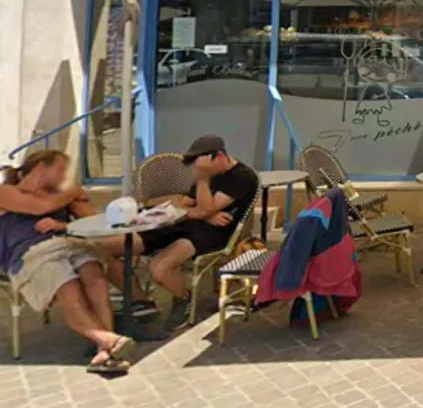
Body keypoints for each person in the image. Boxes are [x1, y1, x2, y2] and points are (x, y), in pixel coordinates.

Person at [99, 135, 258, 330]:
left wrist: (203, 179)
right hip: (182, 223)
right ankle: (141, 302)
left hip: (212, 233)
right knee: (107, 248)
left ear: (219, 156)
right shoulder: (209, 174)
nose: (197, 170)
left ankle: (183, 298)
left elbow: (206, 208)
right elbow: (184, 206)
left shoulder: (241, 177)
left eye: (202, 165)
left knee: (158, 268)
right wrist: (201, 213)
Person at [0, 149, 134, 374]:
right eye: (60, 170)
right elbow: (38, 208)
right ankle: (109, 340)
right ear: (41, 166)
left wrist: (72, 208)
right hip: (31, 253)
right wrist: (72, 192)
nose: (64, 177)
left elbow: (93, 220)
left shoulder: (62, 196)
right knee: (69, 289)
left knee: (96, 278)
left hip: (69, 244)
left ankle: (103, 351)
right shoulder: (6, 192)